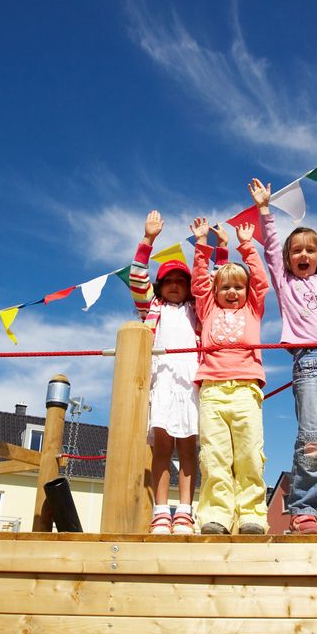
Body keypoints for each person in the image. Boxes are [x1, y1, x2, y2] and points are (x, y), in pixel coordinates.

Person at [250, 177, 317, 535]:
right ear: (288, 259)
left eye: (310, 250)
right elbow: (270, 248)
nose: (303, 255)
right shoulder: (285, 283)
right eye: (296, 250)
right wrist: (265, 209)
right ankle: (303, 510)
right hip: (309, 363)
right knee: (312, 435)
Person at [129, 211, 229, 535]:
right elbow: (137, 278)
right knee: (162, 446)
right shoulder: (152, 308)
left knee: (188, 446)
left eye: (180, 282)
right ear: (160, 286)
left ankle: (185, 509)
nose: (174, 286)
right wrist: (148, 240)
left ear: (188, 288)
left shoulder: (197, 309)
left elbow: (214, 282)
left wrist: (218, 249)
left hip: (190, 380)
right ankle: (161, 509)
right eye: (168, 281)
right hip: (161, 380)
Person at [189, 216, 270, 535]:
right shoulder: (208, 309)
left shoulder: (253, 308)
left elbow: (261, 281)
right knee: (214, 455)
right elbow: (199, 282)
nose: (233, 292)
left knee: (249, 453)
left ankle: (253, 514)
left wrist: (247, 246)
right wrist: (201, 245)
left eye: (239, 286)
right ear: (216, 290)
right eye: (225, 287)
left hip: (246, 388)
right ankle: (217, 516)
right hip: (212, 389)